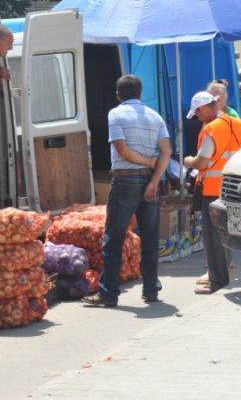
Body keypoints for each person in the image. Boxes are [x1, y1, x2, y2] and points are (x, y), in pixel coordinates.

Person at [83, 75, 171, 307]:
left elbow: (121, 150)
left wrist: (146, 162)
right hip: (149, 182)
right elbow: (167, 151)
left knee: (114, 238)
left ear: (118, 95)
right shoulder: (155, 116)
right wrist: (154, 179)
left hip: (125, 182)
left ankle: (108, 293)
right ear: (141, 94)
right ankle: (151, 290)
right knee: (150, 239)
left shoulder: (116, 114)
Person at [184, 90, 241, 295]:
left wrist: (188, 161)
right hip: (234, 188)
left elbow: (202, 161)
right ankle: (224, 273)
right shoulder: (238, 124)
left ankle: (217, 280)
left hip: (213, 190)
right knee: (230, 233)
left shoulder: (212, 129)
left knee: (213, 237)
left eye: (197, 114)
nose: (197, 118)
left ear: (203, 108)